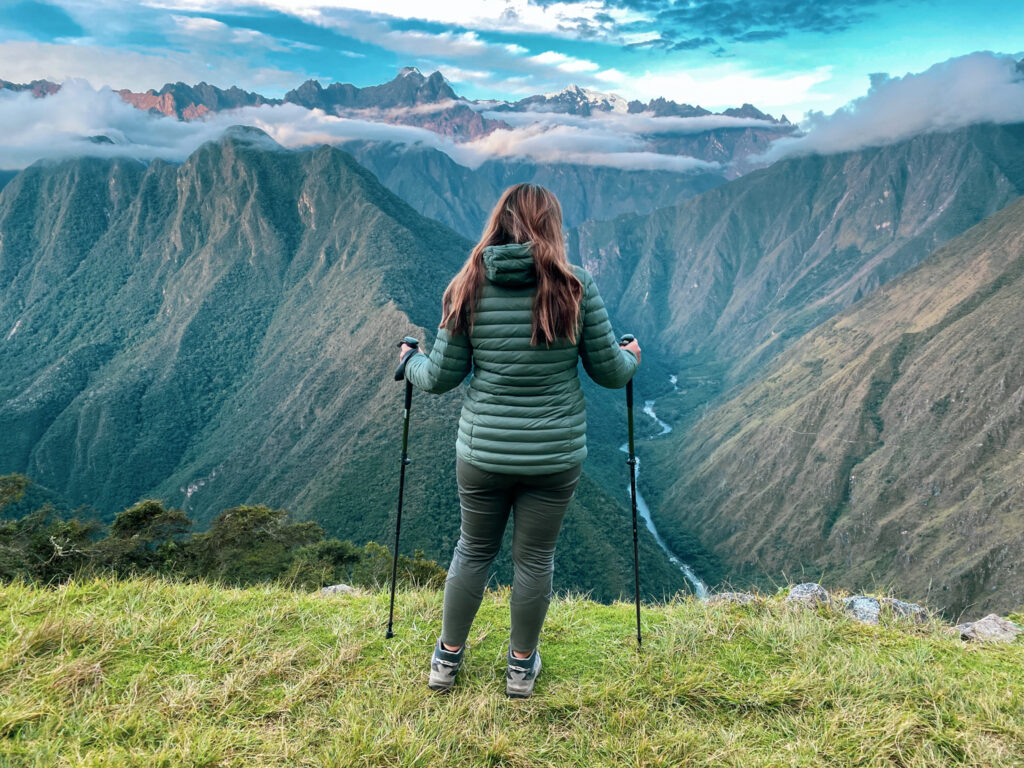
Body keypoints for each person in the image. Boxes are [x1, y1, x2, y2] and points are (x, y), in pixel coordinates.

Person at [401, 182, 641, 698]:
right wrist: (633, 356)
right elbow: (610, 372)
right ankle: (519, 669)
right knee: (534, 560)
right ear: (551, 226)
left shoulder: (466, 284)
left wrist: (408, 360)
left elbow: (441, 376)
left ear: (498, 223)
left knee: (472, 551)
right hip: (554, 456)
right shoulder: (576, 287)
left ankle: (446, 663)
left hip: (482, 452)